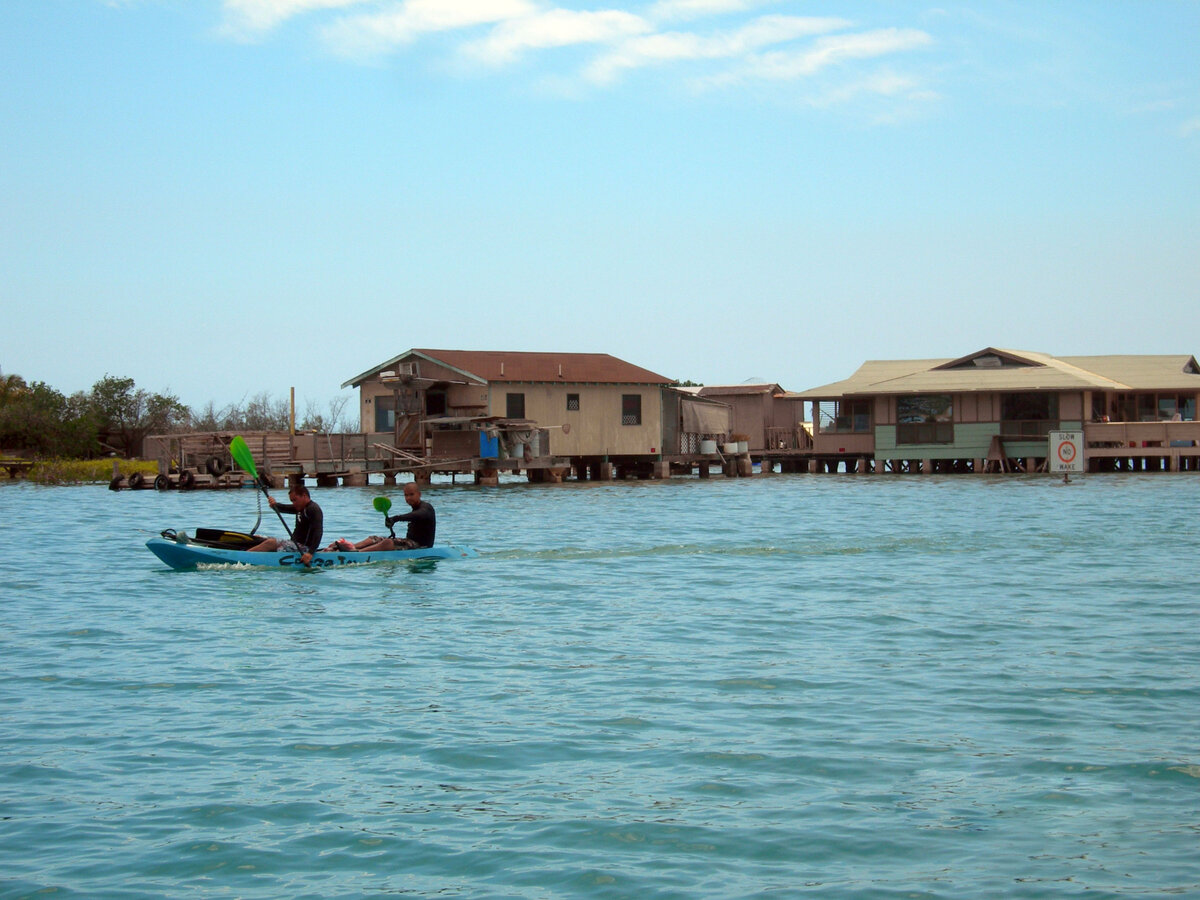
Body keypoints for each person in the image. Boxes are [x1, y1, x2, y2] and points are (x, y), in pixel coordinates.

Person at [329, 483, 434, 553]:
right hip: (408, 541)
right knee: (374, 538)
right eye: (406, 495)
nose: (408, 498)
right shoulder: (415, 508)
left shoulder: (426, 508)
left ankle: (357, 553)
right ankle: (352, 547)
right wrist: (390, 523)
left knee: (388, 542)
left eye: (411, 494)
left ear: (419, 494)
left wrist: (396, 518)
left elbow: (419, 515)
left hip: (421, 546)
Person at [248, 483, 323, 565]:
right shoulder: (300, 507)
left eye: (295, 500)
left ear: (304, 496)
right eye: (292, 501)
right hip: (293, 544)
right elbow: (284, 508)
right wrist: (274, 505)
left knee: (271, 543)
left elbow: (318, 532)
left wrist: (310, 553)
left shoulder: (313, 509)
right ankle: (246, 553)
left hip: (303, 549)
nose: (293, 503)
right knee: (259, 538)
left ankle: (244, 557)